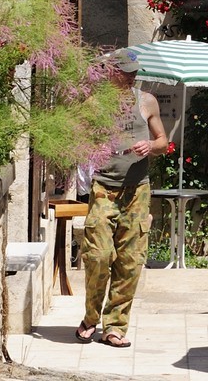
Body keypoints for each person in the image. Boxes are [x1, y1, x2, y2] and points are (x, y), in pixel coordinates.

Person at [76, 47, 167, 348]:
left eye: (134, 72)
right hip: (104, 187)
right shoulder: (93, 103)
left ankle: (114, 326)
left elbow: (163, 141)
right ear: (112, 73)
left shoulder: (146, 101)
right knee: (99, 255)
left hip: (137, 190)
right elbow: (76, 139)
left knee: (130, 261)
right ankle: (90, 318)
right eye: (126, 72)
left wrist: (150, 146)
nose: (132, 77)